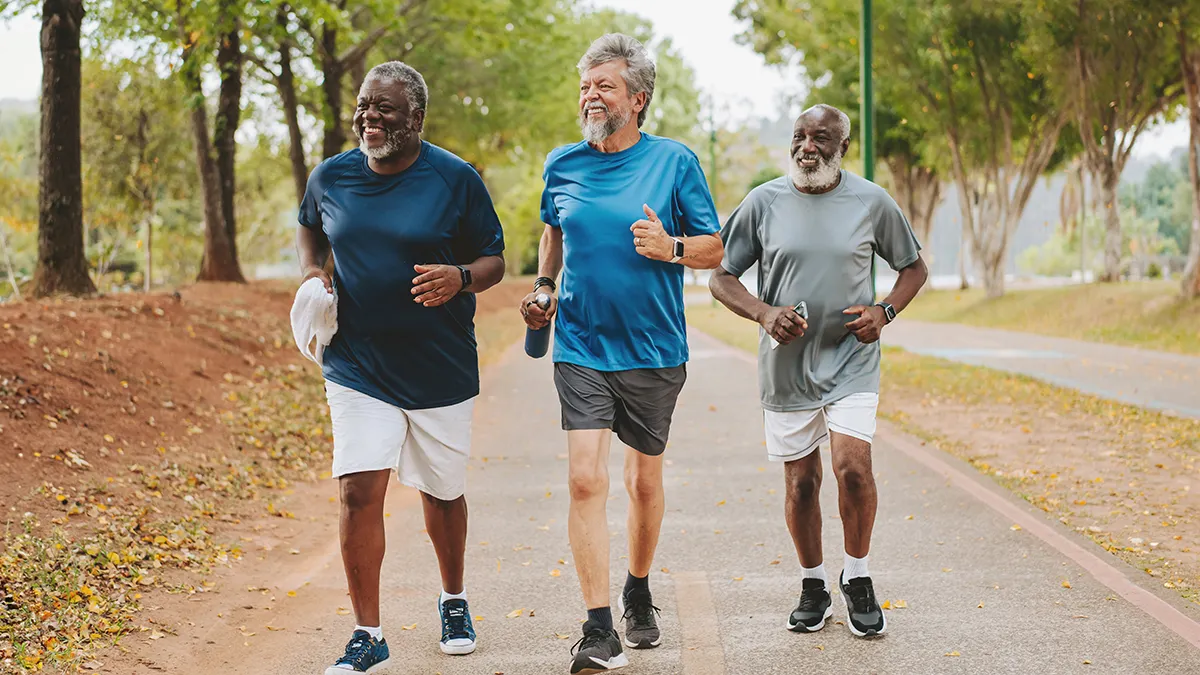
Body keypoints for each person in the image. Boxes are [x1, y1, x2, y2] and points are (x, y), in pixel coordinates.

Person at [519, 33, 724, 674]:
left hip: (654, 346)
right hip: (581, 342)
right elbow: (553, 231)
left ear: (637, 99)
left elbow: (715, 248)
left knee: (642, 480)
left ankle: (638, 589)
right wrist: (545, 287)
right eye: (585, 86)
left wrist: (671, 248)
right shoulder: (563, 164)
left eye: (604, 86)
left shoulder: (675, 162)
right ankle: (597, 627)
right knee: (585, 479)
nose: (591, 95)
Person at [296, 61, 506, 674]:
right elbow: (311, 230)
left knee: (442, 494)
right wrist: (315, 275)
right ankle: (368, 633)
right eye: (364, 104)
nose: (369, 116)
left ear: (416, 117)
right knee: (359, 491)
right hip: (358, 364)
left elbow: (493, 258)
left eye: (384, 107)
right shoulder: (331, 176)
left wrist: (460, 279)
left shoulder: (455, 179)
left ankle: (454, 599)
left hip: (439, 366)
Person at [709, 104, 928, 639]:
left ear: (842, 147)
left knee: (853, 468)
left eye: (822, 138)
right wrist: (764, 313)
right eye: (800, 136)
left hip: (852, 359)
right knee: (802, 483)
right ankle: (813, 585)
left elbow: (914, 267)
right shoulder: (763, 202)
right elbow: (721, 276)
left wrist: (885, 312)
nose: (808, 146)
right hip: (787, 368)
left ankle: (858, 577)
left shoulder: (871, 201)